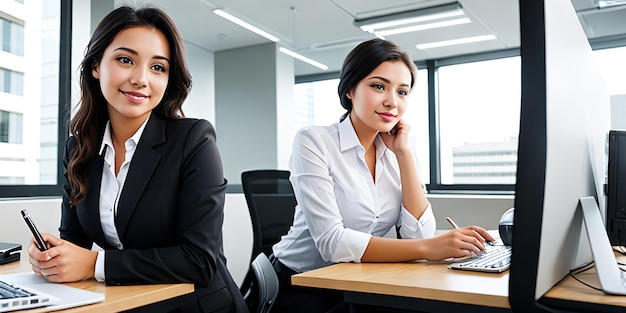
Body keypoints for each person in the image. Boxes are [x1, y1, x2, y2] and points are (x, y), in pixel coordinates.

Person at [26, 6, 247, 313]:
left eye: (158, 68)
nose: (141, 79)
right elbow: (74, 239)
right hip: (128, 302)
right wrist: (53, 257)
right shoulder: (78, 148)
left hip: (197, 306)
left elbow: (199, 261)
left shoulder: (193, 140)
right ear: (95, 66)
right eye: (125, 60)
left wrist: (94, 263)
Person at [271, 38, 495, 312]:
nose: (392, 102)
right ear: (350, 89)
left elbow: (416, 234)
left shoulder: (394, 149)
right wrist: (429, 248)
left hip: (355, 278)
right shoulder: (314, 140)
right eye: (379, 86)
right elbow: (333, 243)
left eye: (402, 92)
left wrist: (404, 154)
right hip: (302, 284)